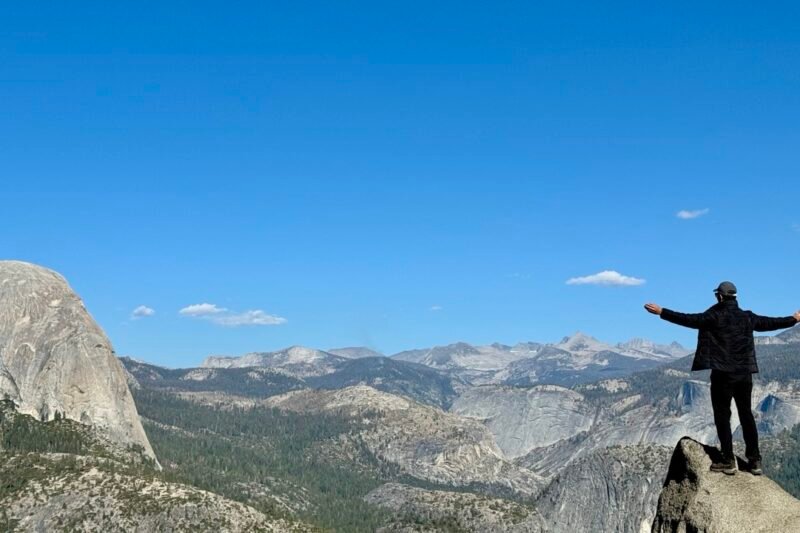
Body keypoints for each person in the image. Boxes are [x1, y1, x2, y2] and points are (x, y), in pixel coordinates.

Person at [644, 281, 800, 476]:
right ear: (735, 297)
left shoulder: (713, 316)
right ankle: (755, 461)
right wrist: (794, 319)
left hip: (722, 375)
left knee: (722, 416)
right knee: (746, 415)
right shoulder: (747, 318)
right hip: (744, 374)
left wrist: (662, 312)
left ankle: (728, 460)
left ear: (719, 296)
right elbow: (770, 323)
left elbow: (689, 319)